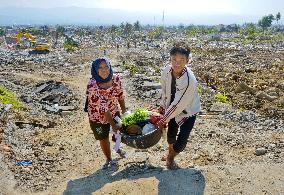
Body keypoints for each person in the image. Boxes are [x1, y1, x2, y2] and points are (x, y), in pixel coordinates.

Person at [157, 42, 201, 170]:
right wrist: (162, 107)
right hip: (172, 106)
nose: (177, 63)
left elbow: (178, 104)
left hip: (188, 110)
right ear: (170, 58)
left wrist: (163, 119)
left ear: (187, 60)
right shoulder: (166, 71)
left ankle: (171, 156)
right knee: (171, 133)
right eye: (174, 59)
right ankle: (170, 153)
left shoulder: (189, 80)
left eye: (182, 60)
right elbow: (164, 91)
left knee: (181, 141)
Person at [85, 57, 127, 169]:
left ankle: (117, 148)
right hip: (97, 116)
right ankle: (108, 158)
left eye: (106, 67)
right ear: (95, 70)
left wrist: (124, 111)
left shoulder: (115, 79)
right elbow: (103, 109)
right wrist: (113, 125)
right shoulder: (92, 85)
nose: (104, 70)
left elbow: (120, 95)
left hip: (113, 111)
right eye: (100, 68)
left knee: (118, 132)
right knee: (103, 137)